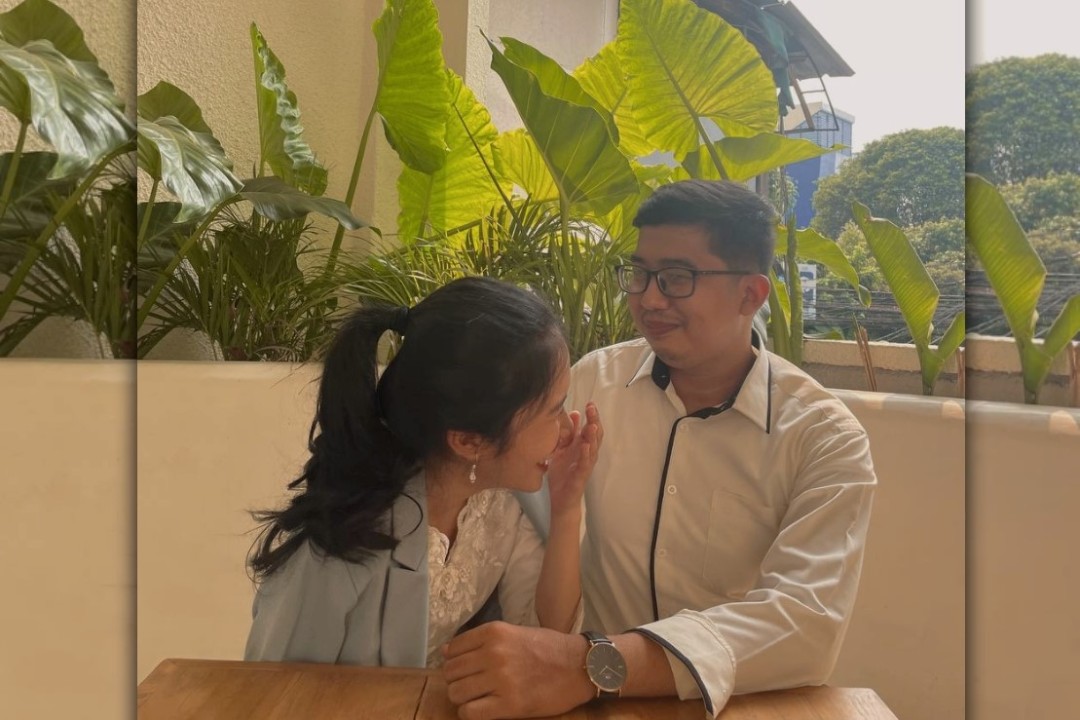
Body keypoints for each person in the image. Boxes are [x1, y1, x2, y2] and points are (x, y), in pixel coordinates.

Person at [441, 180, 877, 719]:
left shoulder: (823, 438)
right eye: (640, 274)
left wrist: (595, 663)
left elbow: (805, 622)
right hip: (584, 705)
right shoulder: (591, 385)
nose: (649, 298)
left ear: (750, 295)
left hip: (734, 708)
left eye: (676, 278)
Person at [244, 276, 601, 668]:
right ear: (468, 442)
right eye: (553, 410)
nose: (567, 428)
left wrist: (567, 508)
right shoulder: (342, 544)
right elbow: (274, 690)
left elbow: (547, 640)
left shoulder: (507, 500)